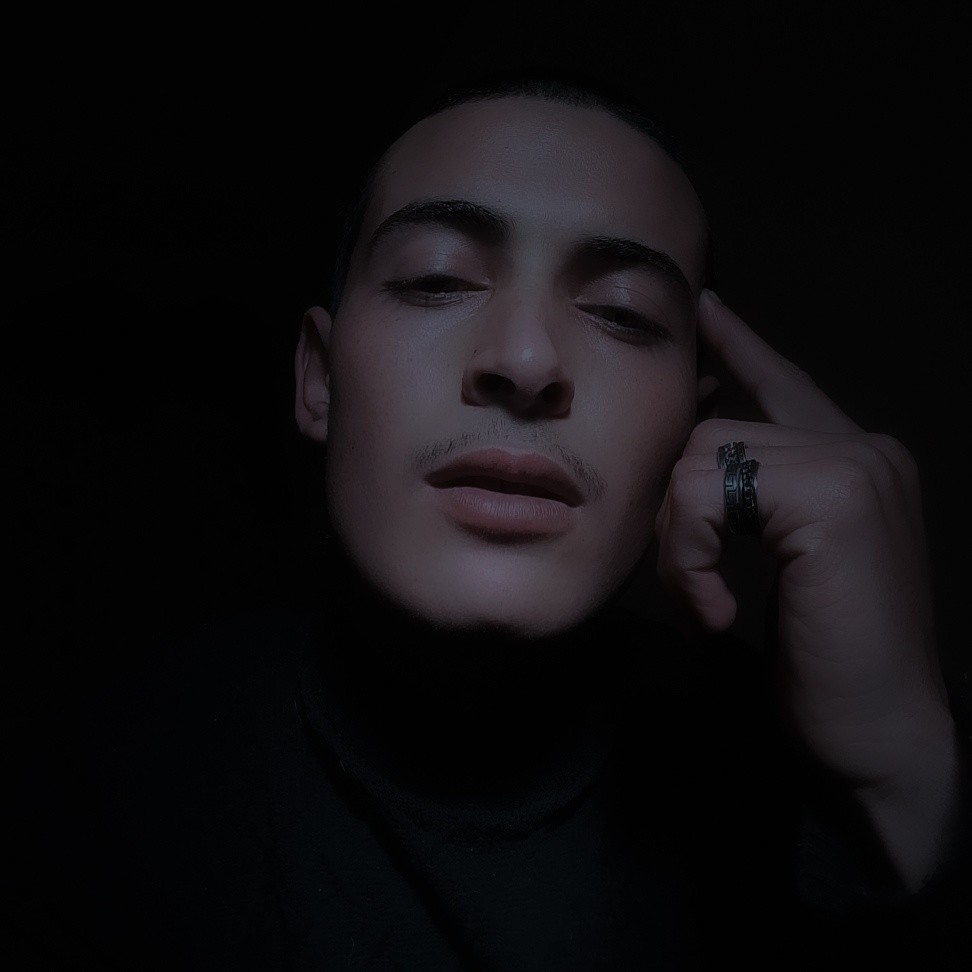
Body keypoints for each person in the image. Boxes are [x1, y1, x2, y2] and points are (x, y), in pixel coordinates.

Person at [6, 73, 969, 969]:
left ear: (694, 425)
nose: (525, 359)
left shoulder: (789, 807)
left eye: (625, 313)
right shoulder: (107, 781)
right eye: (436, 279)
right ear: (319, 379)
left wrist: (904, 766)